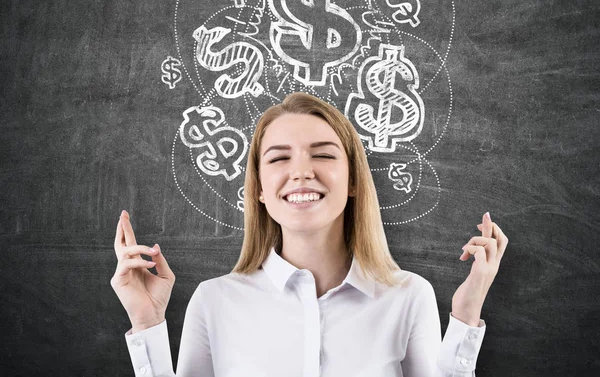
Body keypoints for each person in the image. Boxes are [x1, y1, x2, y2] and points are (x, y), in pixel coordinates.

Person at [111, 92, 508, 376]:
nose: (301, 171)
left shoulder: (407, 296)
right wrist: (146, 322)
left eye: (322, 154)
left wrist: (467, 313)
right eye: (280, 158)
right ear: (260, 189)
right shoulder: (214, 302)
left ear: (352, 179)